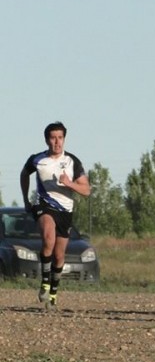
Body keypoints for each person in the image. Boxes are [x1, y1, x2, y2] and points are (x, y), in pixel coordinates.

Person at [20, 121, 92, 310]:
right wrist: (26, 199)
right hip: (44, 205)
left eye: (60, 138)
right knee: (48, 239)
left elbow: (86, 190)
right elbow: (24, 174)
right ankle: (44, 283)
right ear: (46, 140)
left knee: (59, 256)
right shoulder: (37, 160)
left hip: (65, 211)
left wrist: (70, 184)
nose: (57, 142)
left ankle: (53, 292)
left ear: (64, 139)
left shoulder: (72, 161)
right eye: (53, 138)